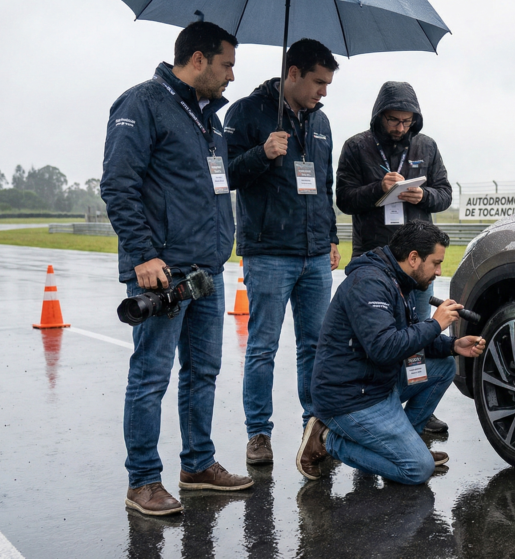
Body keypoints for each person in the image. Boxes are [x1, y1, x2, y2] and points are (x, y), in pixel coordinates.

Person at [100, 21, 252, 517]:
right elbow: (118, 184)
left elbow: (213, 187)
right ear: (199, 59)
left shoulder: (209, 119)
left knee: (203, 372)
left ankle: (198, 465)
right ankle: (142, 480)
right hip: (162, 270)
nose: (233, 75)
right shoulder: (141, 103)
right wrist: (143, 254)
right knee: (150, 376)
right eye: (227, 64)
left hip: (207, 267)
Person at [223, 38, 341, 465]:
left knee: (316, 346)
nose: (323, 92)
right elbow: (221, 175)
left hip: (314, 253)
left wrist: (331, 237)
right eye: (318, 82)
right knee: (262, 348)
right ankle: (259, 433)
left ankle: (316, 426)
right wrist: (262, 152)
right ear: (293, 73)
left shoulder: (322, 122)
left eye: (327, 85)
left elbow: (322, 184)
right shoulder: (245, 112)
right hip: (268, 251)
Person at [297, 221, 486, 484]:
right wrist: (435, 324)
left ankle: (405, 444)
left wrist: (452, 345)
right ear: (413, 258)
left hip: (376, 383)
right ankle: (327, 439)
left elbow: (406, 336)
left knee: (443, 365)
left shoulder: (398, 279)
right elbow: (384, 348)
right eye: (436, 263)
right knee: (417, 469)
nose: (439, 271)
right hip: (350, 397)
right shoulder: (369, 283)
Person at [335, 81, 455, 434]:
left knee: (419, 337)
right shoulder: (357, 146)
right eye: (393, 120)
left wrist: (424, 196)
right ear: (379, 116)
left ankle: (419, 402)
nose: (400, 127)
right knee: (376, 340)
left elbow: (445, 193)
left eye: (406, 121)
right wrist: (379, 189)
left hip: (417, 264)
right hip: (375, 259)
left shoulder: (427, 145)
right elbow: (343, 198)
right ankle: (372, 405)